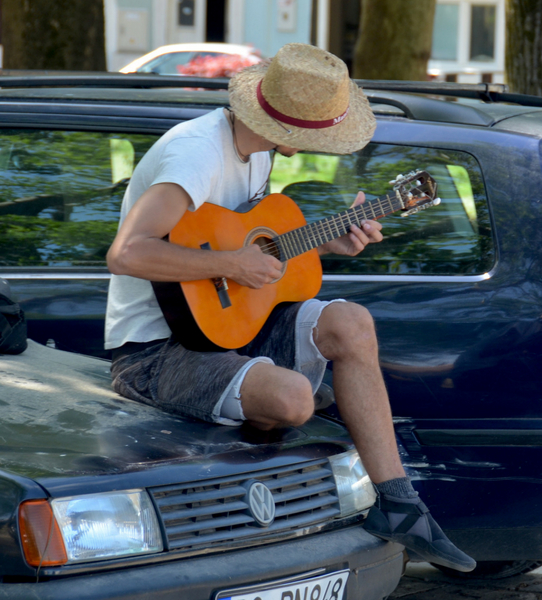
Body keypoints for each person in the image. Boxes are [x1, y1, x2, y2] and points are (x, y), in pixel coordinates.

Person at [104, 43, 475, 573]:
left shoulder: (256, 150)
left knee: (350, 322)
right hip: (155, 352)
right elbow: (127, 253)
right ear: (289, 127)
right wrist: (234, 265)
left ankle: (398, 502)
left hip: (228, 331)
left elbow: (245, 247)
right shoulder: (195, 154)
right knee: (294, 397)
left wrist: (329, 243)